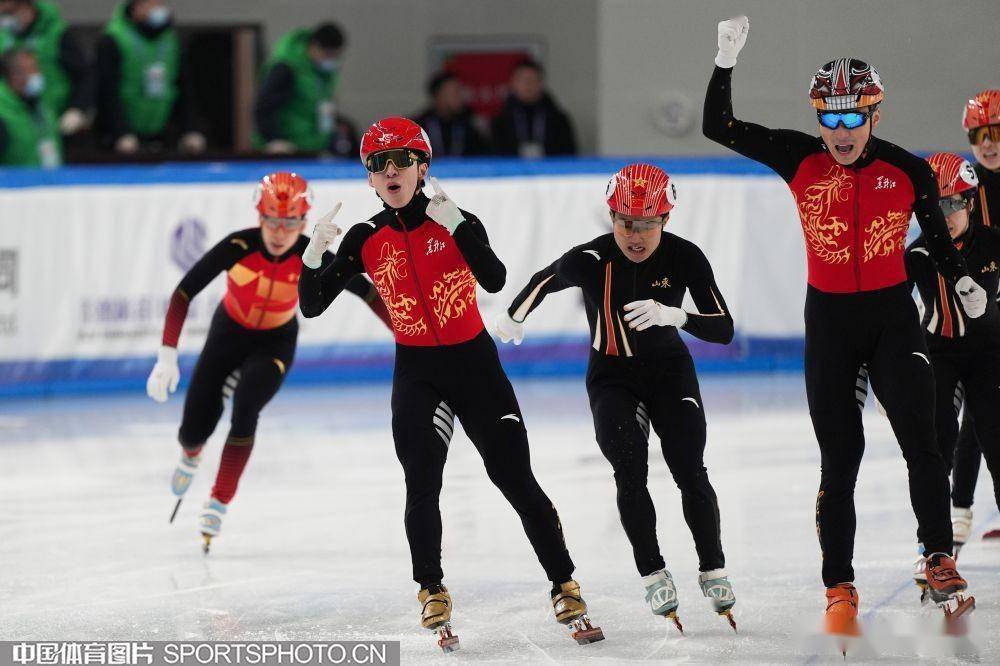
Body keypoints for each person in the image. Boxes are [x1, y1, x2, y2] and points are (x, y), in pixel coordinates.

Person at [702, 16, 985, 634]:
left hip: (891, 321)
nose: (839, 133)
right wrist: (725, 61)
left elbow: (938, 243)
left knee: (923, 439)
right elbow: (716, 127)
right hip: (830, 323)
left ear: (874, 116)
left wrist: (960, 277)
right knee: (841, 456)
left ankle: (938, 556)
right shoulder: (796, 155)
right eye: (828, 119)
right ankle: (839, 584)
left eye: (852, 119)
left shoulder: (909, 171)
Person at [297, 116, 603, 650]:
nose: (390, 172)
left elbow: (496, 279)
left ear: (423, 167)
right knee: (423, 482)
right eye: (377, 164)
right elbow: (311, 304)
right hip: (417, 373)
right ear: (368, 177)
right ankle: (431, 587)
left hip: (474, 366)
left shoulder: (454, 220)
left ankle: (564, 583)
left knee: (515, 478)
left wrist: (459, 224)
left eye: (401, 161)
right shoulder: (365, 237)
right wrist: (314, 255)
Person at [496, 163, 737, 632]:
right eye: (625, 222)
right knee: (630, 470)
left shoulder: (686, 257)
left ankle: (713, 567)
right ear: (611, 218)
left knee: (689, 467)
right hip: (611, 378)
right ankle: (653, 571)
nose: (635, 234)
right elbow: (546, 279)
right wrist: (513, 317)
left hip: (670, 374)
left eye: (646, 223)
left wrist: (677, 316)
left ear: (665, 220)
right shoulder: (593, 257)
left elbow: (724, 328)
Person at [146, 171, 389, 553]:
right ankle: (191, 454)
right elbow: (183, 293)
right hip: (227, 335)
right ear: (260, 218)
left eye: (290, 223)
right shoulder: (237, 246)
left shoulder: (312, 254)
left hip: (274, 342)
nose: (279, 232)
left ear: (303, 223)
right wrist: (166, 355)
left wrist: (405, 332)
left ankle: (218, 501)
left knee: (246, 405)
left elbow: (366, 292)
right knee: (194, 431)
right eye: (272, 222)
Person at [905, 152, 1000, 573]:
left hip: (989, 355)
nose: (944, 215)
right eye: (933, 205)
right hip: (938, 355)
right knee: (936, 447)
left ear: (969, 201)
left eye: (952, 204)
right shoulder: (917, 252)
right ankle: (934, 549)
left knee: (996, 442)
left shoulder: (994, 242)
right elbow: (891, 314)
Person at [950, 89, 1000, 549]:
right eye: (978, 135)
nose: (988, 143)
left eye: (995, 132)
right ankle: (960, 508)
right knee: (978, 410)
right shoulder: (971, 190)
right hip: (982, 311)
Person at [96, 0, 205, 156]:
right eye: (150, 4)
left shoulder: (170, 40)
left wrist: (191, 129)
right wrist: (120, 132)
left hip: (162, 133)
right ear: (135, 7)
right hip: (121, 140)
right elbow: (107, 91)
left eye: (160, 3)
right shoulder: (114, 39)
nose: (157, 9)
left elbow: (183, 88)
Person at [253, 22, 352, 156]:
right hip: (287, 150)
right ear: (314, 47)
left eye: (335, 56)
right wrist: (274, 139)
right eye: (328, 55)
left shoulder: (325, 74)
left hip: (314, 148)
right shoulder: (286, 68)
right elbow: (264, 107)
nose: (331, 60)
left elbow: (320, 107)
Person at [0, 0, 91, 136]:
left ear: (25, 7)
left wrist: (77, 108)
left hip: (56, 120)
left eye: (9, 13)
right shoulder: (4, 37)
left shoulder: (56, 34)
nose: (5, 19)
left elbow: (85, 75)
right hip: (11, 121)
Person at [491, 58, 576, 158]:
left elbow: (569, 153)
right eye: (523, 80)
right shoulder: (500, 120)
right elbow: (494, 154)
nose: (528, 85)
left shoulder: (558, 119)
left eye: (532, 80)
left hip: (550, 171)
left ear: (541, 83)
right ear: (513, 83)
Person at [0, 47, 59, 166]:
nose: (39, 74)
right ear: (14, 75)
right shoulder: (3, 112)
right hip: (15, 182)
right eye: (33, 69)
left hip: (52, 181)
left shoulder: (41, 102)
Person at [413, 71, 490, 156]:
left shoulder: (468, 125)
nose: (460, 97)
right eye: (455, 92)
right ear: (439, 95)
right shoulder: (419, 127)